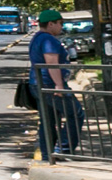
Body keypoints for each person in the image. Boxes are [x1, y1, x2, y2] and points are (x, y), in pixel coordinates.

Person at [31, 9, 84, 160]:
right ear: (50, 24)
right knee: (76, 113)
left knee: (48, 120)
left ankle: (48, 154)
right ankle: (62, 150)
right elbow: (52, 63)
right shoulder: (49, 40)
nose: (62, 27)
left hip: (39, 84)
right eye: (60, 23)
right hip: (50, 85)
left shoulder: (37, 38)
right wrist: (59, 85)